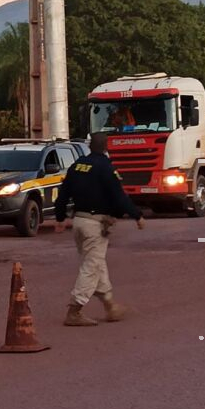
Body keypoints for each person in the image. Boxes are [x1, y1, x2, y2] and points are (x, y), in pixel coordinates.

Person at [54, 132, 146, 326]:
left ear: (89, 146)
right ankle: (74, 310)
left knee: (96, 264)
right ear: (106, 147)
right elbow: (119, 196)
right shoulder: (105, 167)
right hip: (94, 225)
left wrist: (60, 217)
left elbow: (63, 194)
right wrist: (136, 215)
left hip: (78, 222)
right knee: (91, 267)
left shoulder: (77, 165)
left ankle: (110, 306)